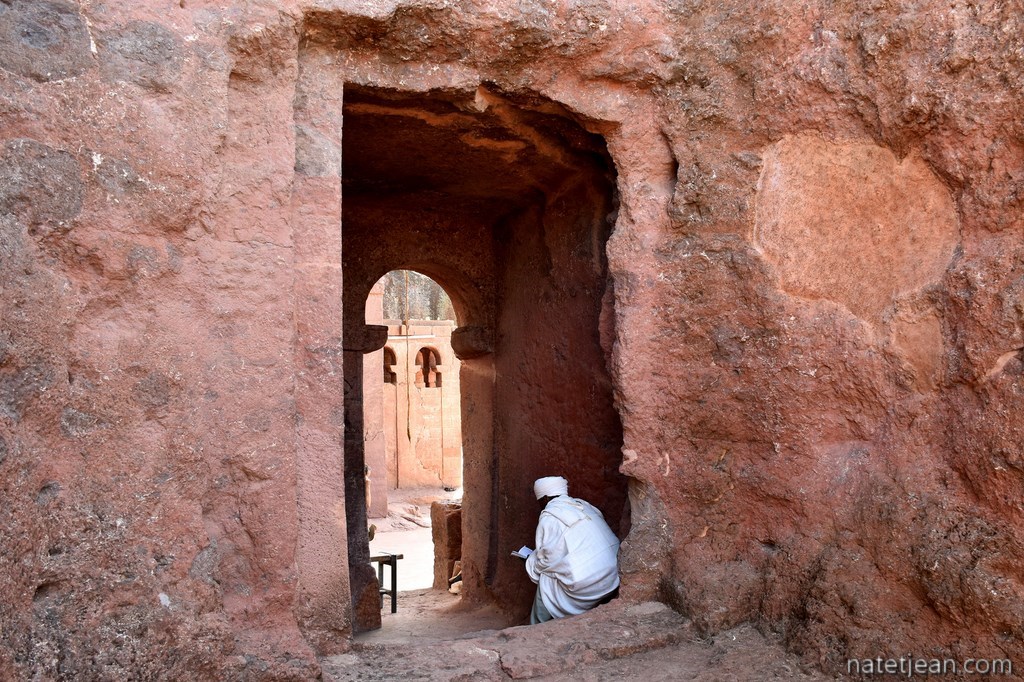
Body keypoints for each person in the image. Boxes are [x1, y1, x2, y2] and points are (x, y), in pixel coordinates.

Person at [522, 476, 620, 624]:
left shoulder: (550, 515)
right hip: (613, 575)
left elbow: (548, 561)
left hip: (590, 585)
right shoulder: (583, 505)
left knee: (546, 579)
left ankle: (536, 624)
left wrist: (529, 562)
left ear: (545, 498)